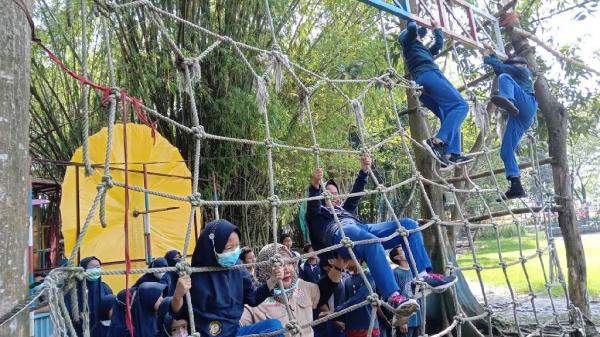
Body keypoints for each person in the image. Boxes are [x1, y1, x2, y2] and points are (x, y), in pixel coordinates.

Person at [306, 155, 456, 321]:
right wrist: (314, 185)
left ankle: (421, 277)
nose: (334, 197)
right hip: (339, 235)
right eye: (328, 194)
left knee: (408, 225)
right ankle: (393, 296)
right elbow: (312, 205)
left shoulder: (345, 210)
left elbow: (355, 195)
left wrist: (363, 172)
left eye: (336, 194)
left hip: (360, 230)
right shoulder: (318, 216)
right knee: (370, 240)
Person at [170, 219, 285, 337]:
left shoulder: (238, 268)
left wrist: (273, 280)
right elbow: (178, 312)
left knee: (275, 326)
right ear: (213, 248)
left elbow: (253, 298)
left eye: (237, 246)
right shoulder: (194, 274)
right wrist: (178, 295)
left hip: (234, 332)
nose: (234, 252)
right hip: (204, 334)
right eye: (229, 247)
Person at [398, 19, 472, 168]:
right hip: (430, 76)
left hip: (423, 86)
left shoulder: (422, 50)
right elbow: (412, 28)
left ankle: (452, 154)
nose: (420, 36)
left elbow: (438, 45)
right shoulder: (408, 44)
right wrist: (411, 17)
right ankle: (438, 141)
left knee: (449, 114)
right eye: (419, 35)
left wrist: (437, 29)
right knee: (461, 106)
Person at [241, 243, 346, 337]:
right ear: (264, 270)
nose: (286, 269)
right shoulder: (254, 301)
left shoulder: (300, 286)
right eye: (279, 265)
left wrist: (338, 267)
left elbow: (323, 292)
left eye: (289, 263)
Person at [482, 45, 538, 200]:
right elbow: (502, 67)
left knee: (504, 78)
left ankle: (509, 100)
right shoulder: (520, 73)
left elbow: (501, 69)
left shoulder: (522, 70)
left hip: (526, 105)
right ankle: (516, 186)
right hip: (521, 116)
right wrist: (493, 54)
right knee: (506, 150)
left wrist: (487, 57)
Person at [65, 256, 113, 336]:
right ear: (83, 269)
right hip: (78, 331)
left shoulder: (105, 288)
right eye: (91, 267)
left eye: (98, 267)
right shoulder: (72, 290)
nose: (95, 269)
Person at [336, 259, 380, 337]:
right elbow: (347, 302)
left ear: (358, 259)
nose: (345, 262)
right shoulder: (347, 281)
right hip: (351, 328)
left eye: (347, 259)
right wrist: (338, 319)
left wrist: (336, 312)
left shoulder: (369, 276)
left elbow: (359, 298)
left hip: (369, 327)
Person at [389, 247, 421, 337]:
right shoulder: (395, 273)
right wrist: (402, 321)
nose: (406, 250)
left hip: (417, 316)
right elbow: (395, 298)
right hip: (405, 317)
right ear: (397, 258)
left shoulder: (415, 270)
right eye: (402, 250)